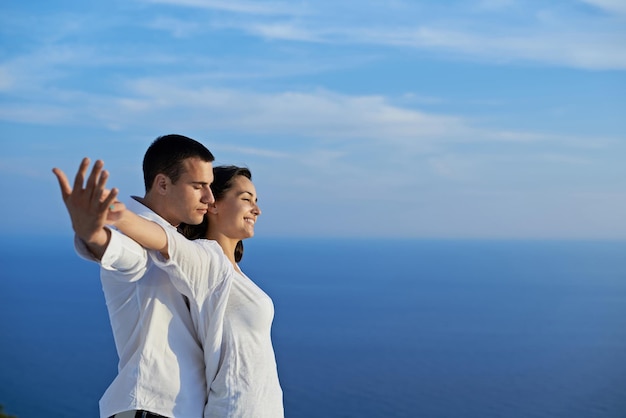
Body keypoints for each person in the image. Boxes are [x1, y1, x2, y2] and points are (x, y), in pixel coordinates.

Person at [52, 134, 216, 418]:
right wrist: (92, 233)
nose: (209, 198)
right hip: (150, 409)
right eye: (198, 186)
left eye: (210, 186)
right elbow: (124, 255)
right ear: (162, 183)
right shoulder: (135, 239)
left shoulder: (181, 244)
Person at [105, 165, 284, 418]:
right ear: (213, 204)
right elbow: (163, 240)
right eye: (246, 200)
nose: (257, 209)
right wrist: (114, 212)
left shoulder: (235, 274)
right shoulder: (208, 260)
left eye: (256, 201)